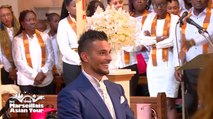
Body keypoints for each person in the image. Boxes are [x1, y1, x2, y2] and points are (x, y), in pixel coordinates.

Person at [57, 30, 134, 119]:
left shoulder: (117, 89)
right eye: (102, 53)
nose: (109, 58)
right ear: (85, 57)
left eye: (109, 52)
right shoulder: (70, 95)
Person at [140, 0, 180, 118]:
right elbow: (142, 40)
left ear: (167, 4)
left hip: (169, 65)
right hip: (153, 66)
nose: (159, 7)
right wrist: (159, 39)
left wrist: (152, 40)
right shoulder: (149, 18)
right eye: (155, 4)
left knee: (169, 102)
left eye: (162, 4)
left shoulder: (174, 19)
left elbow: (173, 40)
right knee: (156, 101)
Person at [175, 0, 213, 118]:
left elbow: (210, 33)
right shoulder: (184, 17)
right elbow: (178, 43)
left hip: (208, 68)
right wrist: (177, 66)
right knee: (189, 104)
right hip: (190, 68)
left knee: (208, 103)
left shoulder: (212, 15)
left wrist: (192, 42)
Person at [12, 10, 54, 94]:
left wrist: (42, 72)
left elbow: (51, 56)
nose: (32, 22)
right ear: (22, 24)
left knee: (46, 106)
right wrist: (35, 75)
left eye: (34, 19)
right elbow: (18, 62)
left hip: (45, 78)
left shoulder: (45, 36)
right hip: (27, 81)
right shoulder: (17, 40)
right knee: (29, 106)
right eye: (28, 20)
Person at [57, 0, 81, 85]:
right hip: (72, 64)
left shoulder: (88, 20)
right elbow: (64, 48)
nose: (78, 8)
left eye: (79, 5)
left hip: (88, 63)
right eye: (74, 6)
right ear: (67, 7)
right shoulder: (63, 23)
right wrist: (80, 60)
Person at [0, 5, 19, 84]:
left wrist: (17, 68)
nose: (6, 17)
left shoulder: (19, 29)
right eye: (3, 16)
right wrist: (11, 69)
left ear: (12, 14)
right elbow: (1, 54)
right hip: (6, 68)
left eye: (8, 14)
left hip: (20, 68)